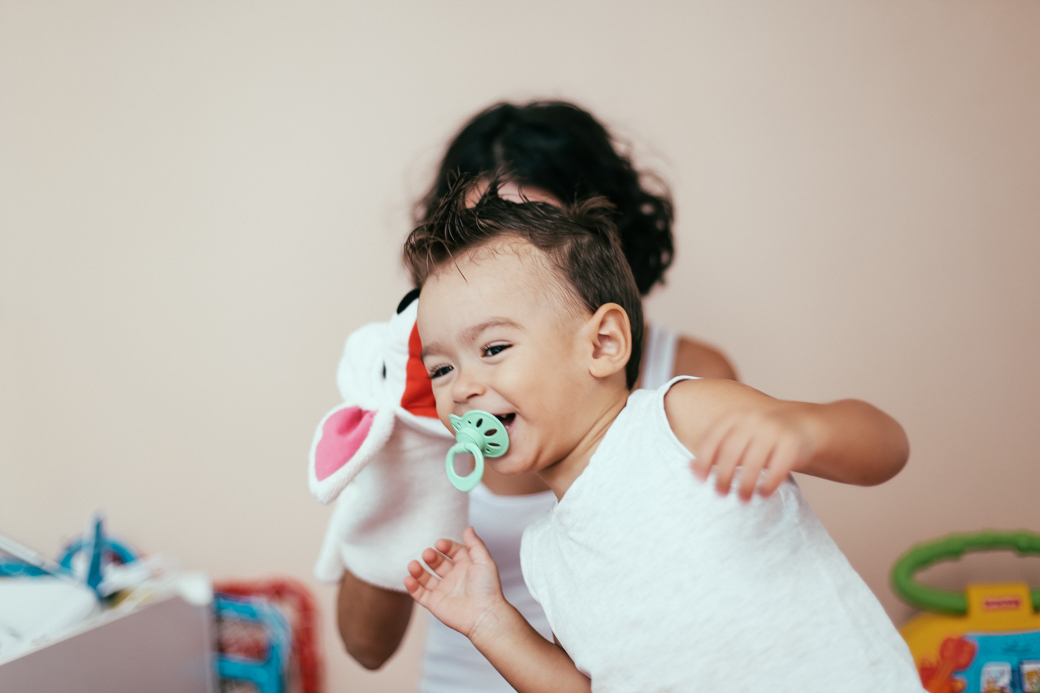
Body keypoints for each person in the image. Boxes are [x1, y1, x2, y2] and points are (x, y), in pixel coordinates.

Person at [331, 101, 905, 690]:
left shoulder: (683, 413)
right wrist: (490, 621)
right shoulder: (548, 553)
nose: (464, 386)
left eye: (495, 348)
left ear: (603, 342)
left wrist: (806, 432)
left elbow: (886, 446)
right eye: (443, 368)